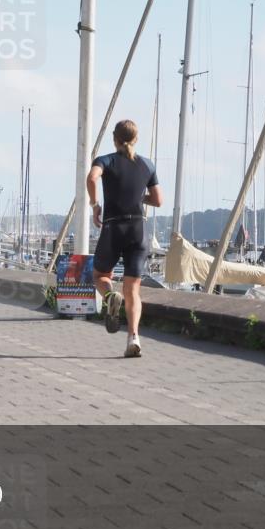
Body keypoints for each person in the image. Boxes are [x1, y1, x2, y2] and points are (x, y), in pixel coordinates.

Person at [86, 120, 163, 357]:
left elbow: (91, 178)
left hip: (113, 227)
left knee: (100, 275)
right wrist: (138, 197)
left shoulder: (105, 160)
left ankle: (110, 296)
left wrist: (95, 205)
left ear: (115, 139)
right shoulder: (147, 165)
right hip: (137, 230)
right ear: (136, 139)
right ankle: (133, 338)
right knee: (133, 290)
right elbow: (158, 200)